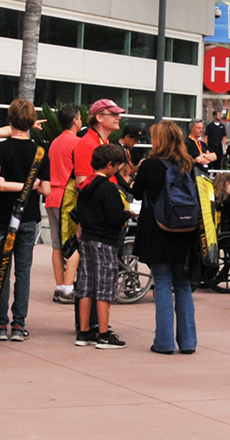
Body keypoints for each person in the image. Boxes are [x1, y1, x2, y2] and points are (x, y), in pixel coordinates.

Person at [133, 120, 203, 354]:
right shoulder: (188, 164)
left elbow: (136, 192)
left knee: (162, 283)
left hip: (158, 229)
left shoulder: (150, 166)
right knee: (182, 284)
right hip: (186, 230)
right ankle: (188, 342)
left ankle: (163, 342)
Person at [0, 98, 47, 342]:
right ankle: (19, 324)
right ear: (32, 122)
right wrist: (31, 185)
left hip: (3, 217)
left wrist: (8, 186)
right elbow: (47, 189)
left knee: (1, 268)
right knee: (23, 272)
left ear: (10, 121)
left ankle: (0, 323)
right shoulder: (40, 152)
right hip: (28, 218)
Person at [74, 142, 130, 348]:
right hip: (104, 241)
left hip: (86, 239)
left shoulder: (85, 185)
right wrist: (128, 214)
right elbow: (115, 217)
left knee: (86, 285)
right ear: (109, 164)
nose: (116, 170)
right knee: (105, 287)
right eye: (115, 166)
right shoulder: (108, 188)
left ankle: (84, 331)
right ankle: (104, 334)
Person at [42, 104, 79, 300]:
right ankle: (68, 287)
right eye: (80, 118)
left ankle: (59, 285)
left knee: (57, 246)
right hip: (67, 197)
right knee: (74, 244)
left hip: (51, 196)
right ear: (75, 121)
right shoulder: (77, 143)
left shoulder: (54, 142)